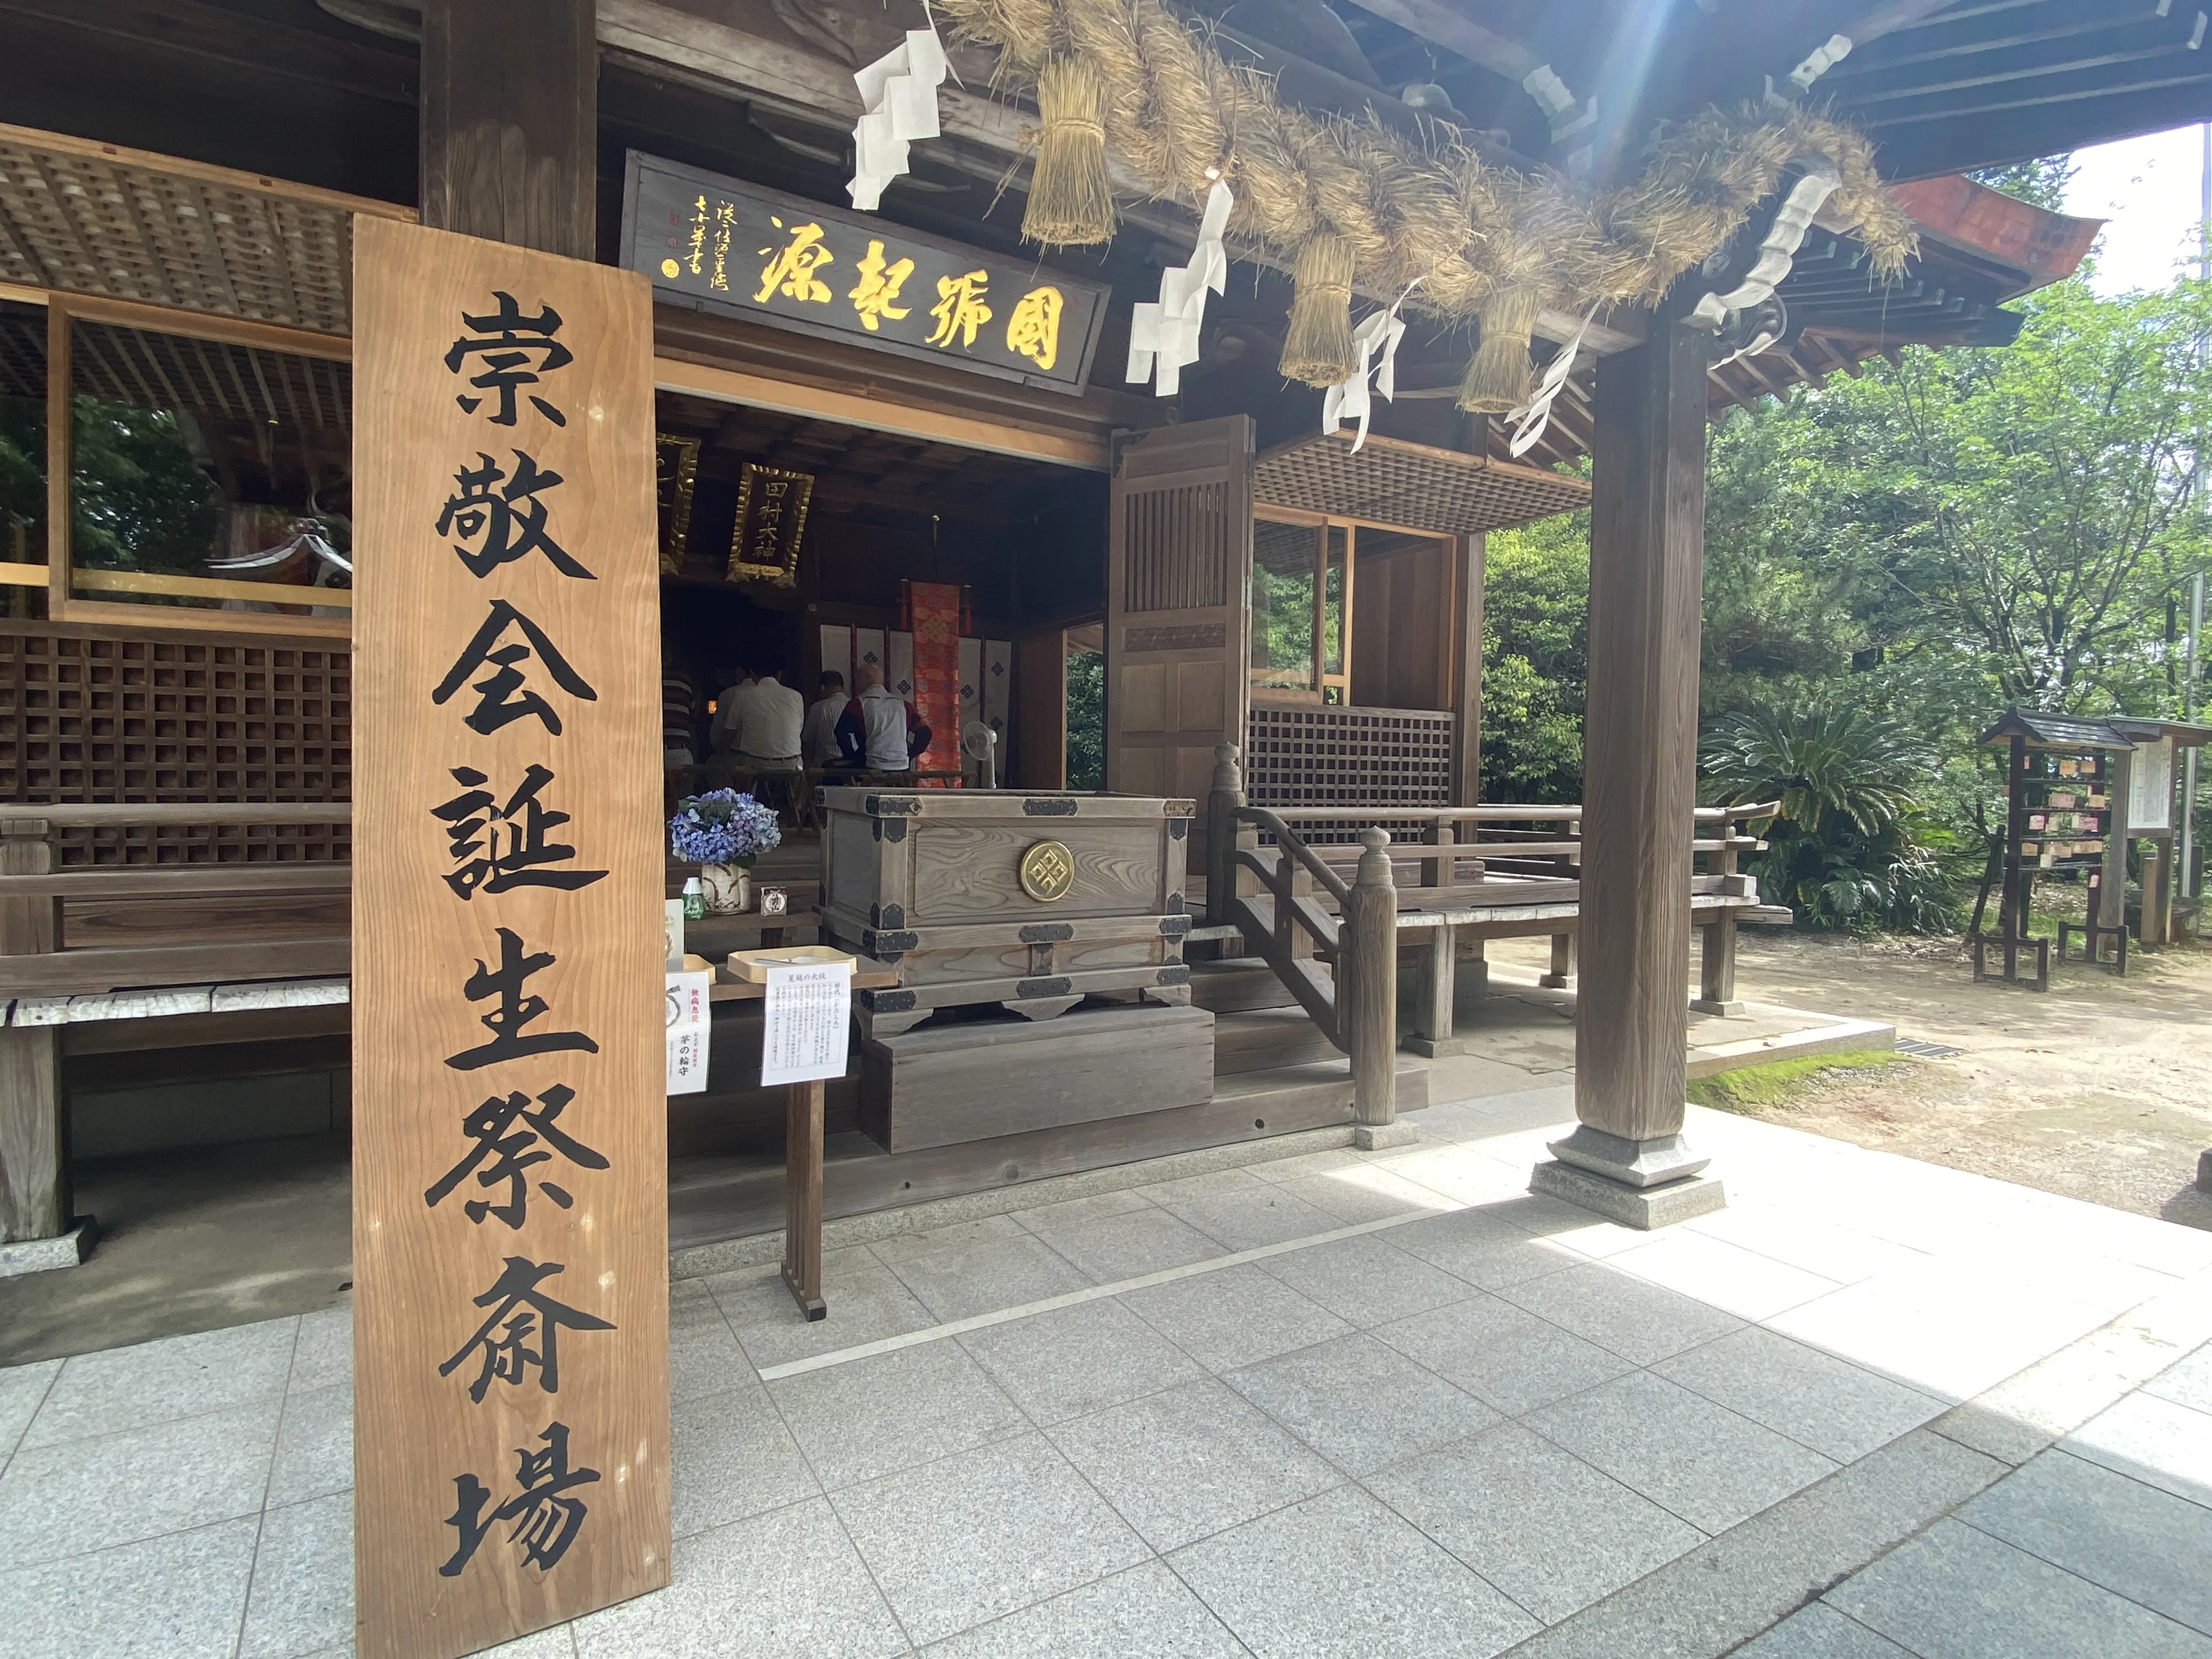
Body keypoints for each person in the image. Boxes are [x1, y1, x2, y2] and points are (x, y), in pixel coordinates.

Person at [836, 663, 931, 773]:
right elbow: (925, 733)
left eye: (857, 680)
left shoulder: (858, 705)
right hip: (902, 767)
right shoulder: (904, 705)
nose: (855, 685)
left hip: (870, 766)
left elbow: (841, 732)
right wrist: (909, 754)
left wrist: (851, 756)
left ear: (866, 678)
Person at [726, 665, 804, 772]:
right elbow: (799, 729)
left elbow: (731, 732)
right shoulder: (796, 696)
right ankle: (797, 790)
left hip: (754, 764)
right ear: (779, 674)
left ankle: (744, 790)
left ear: (752, 674)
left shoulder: (743, 695)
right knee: (797, 775)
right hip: (792, 764)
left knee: (728, 763)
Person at [802, 670, 848, 769]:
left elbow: (807, 738)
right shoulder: (854, 704)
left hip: (827, 766)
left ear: (822, 688)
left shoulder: (820, 707)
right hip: (852, 765)